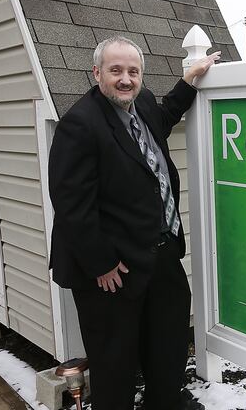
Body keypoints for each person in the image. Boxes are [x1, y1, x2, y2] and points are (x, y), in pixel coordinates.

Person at [48, 35, 219, 410]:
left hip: (159, 251)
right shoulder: (80, 125)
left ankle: (165, 402)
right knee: (115, 360)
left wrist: (189, 80)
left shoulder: (139, 103)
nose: (125, 79)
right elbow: (70, 204)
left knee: (168, 339)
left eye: (133, 71)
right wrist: (101, 263)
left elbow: (165, 115)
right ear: (97, 73)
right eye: (115, 71)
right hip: (112, 267)